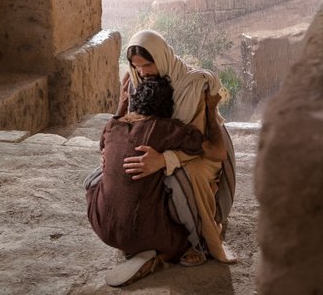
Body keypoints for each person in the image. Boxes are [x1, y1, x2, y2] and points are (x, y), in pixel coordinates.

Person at [86, 76, 226, 286]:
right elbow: (218, 152)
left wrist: (122, 103)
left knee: (101, 175)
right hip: (143, 232)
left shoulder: (112, 125)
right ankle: (166, 255)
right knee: (179, 181)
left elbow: (106, 149)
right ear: (168, 108)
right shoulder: (167, 128)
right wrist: (212, 111)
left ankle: (134, 248)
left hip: (101, 227)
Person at [115, 30, 236, 268]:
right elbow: (131, 124)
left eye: (148, 65)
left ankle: (201, 239)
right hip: (162, 145)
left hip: (200, 150)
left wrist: (165, 160)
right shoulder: (136, 80)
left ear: (161, 58)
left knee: (187, 176)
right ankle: (160, 236)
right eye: (137, 66)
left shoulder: (192, 84)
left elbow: (199, 140)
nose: (143, 73)